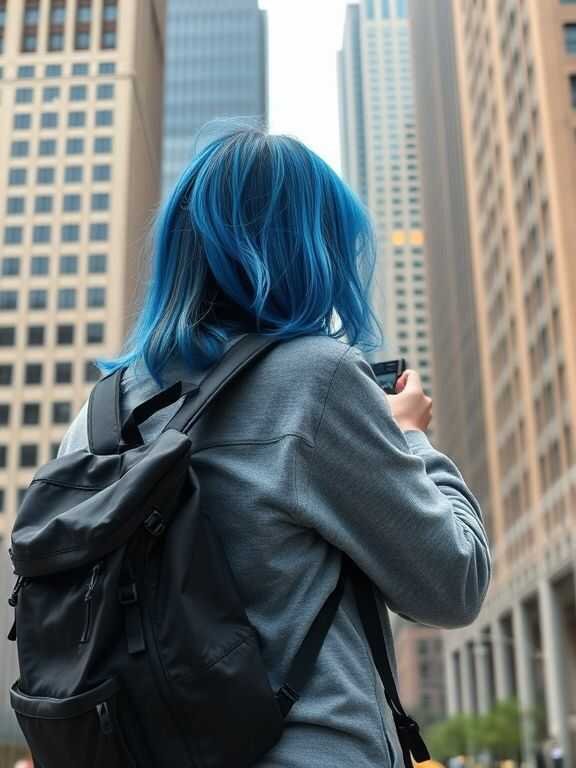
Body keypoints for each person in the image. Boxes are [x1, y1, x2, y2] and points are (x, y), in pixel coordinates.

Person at [57, 126, 491, 768]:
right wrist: (410, 434)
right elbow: (453, 583)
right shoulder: (316, 378)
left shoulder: (99, 412)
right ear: (312, 248)